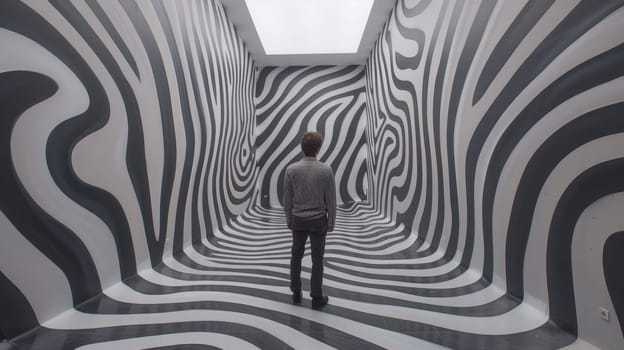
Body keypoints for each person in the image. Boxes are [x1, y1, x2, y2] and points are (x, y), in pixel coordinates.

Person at [283, 131, 336, 309]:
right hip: (318, 220)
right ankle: (316, 297)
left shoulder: (291, 170)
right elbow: (331, 199)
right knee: (317, 259)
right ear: (318, 149)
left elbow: (287, 199)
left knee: (296, 256)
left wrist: (289, 218)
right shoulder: (326, 170)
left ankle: (296, 292)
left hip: (298, 219)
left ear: (302, 148)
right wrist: (331, 222)